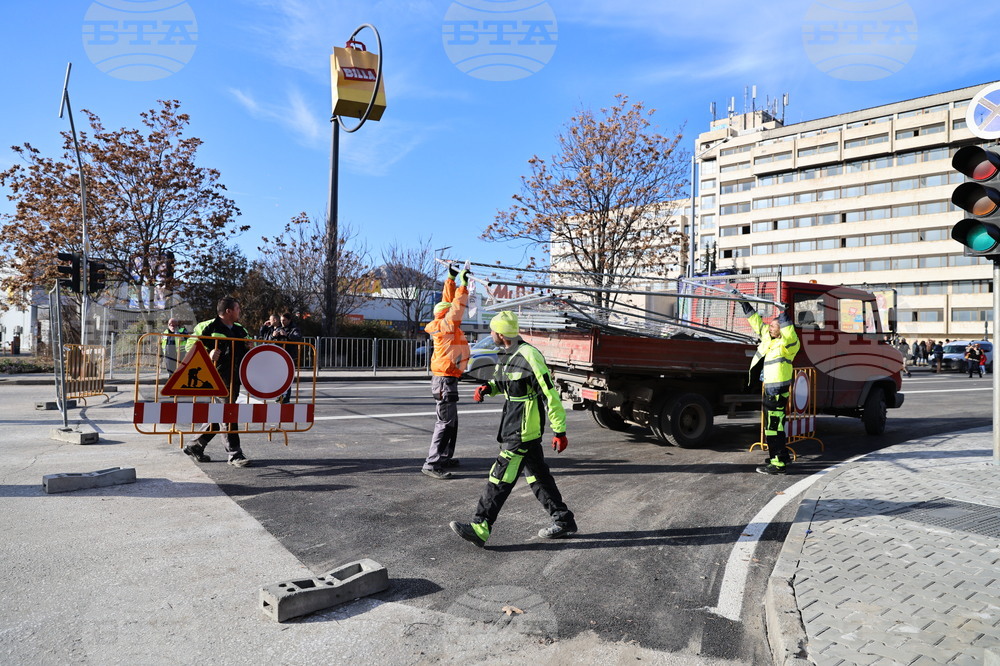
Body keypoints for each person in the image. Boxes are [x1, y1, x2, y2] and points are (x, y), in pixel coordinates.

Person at [450, 311, 576, 547]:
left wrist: (559, 431)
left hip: (522, 430)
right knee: (539, 477)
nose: (491, 334)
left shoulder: (529, 354)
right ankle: (564, 521)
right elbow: (504, 382)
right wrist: (488, 388)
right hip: (514, 423)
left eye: (492, 330)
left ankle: (480, 526)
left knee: (500, 476)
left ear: (499, 333)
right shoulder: (508, 353)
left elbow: (549, 393)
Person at [181, 297, 253, 467]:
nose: (239, 311)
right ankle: (235, 454)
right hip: (216, 378)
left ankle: (195, 445)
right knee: (228, 412)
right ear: (228, 311)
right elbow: (189, 346)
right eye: (237, 308)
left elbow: (250, 343)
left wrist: (251, 345)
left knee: (222, 413)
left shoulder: (239, 329)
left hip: (234, 377)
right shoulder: (207, 327)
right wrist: (208, 354)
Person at [736, 292, 800, 475]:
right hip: (771, 388)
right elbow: (755, 321)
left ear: (781, 329)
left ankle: (778, 462)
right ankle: (781, 456)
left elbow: (789, 331)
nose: (770, 328)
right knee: (774, 425)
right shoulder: (768, 337)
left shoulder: (789, 344)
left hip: (778, 389)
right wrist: (743, 302)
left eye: (774, 325)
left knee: (773, 427)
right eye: (770, 325)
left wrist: (783, 314)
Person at [421, 265, 471, 480]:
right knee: (444, 422)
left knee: (451, 421)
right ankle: (432, 463)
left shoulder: (444, 323)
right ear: (446, 314)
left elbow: (449, 302)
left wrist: (450, 279)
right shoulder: (446, 325)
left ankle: (444, 456)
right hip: (444, 379)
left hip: (448, 377)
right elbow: (457, 306)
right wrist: (464, 284)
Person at [270, 312, 303, 404]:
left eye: (284, 320)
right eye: (281, 320)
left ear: (289, 320)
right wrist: (273, 336)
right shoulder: (279, 328)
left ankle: (286, 397)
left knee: (287, 377)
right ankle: (279, 395)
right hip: (279, 355)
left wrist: (287, 335)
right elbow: (269, 339)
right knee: (278, 377)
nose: (282, 322)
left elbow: (298, 338)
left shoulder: (294, 329)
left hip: (289, 356)